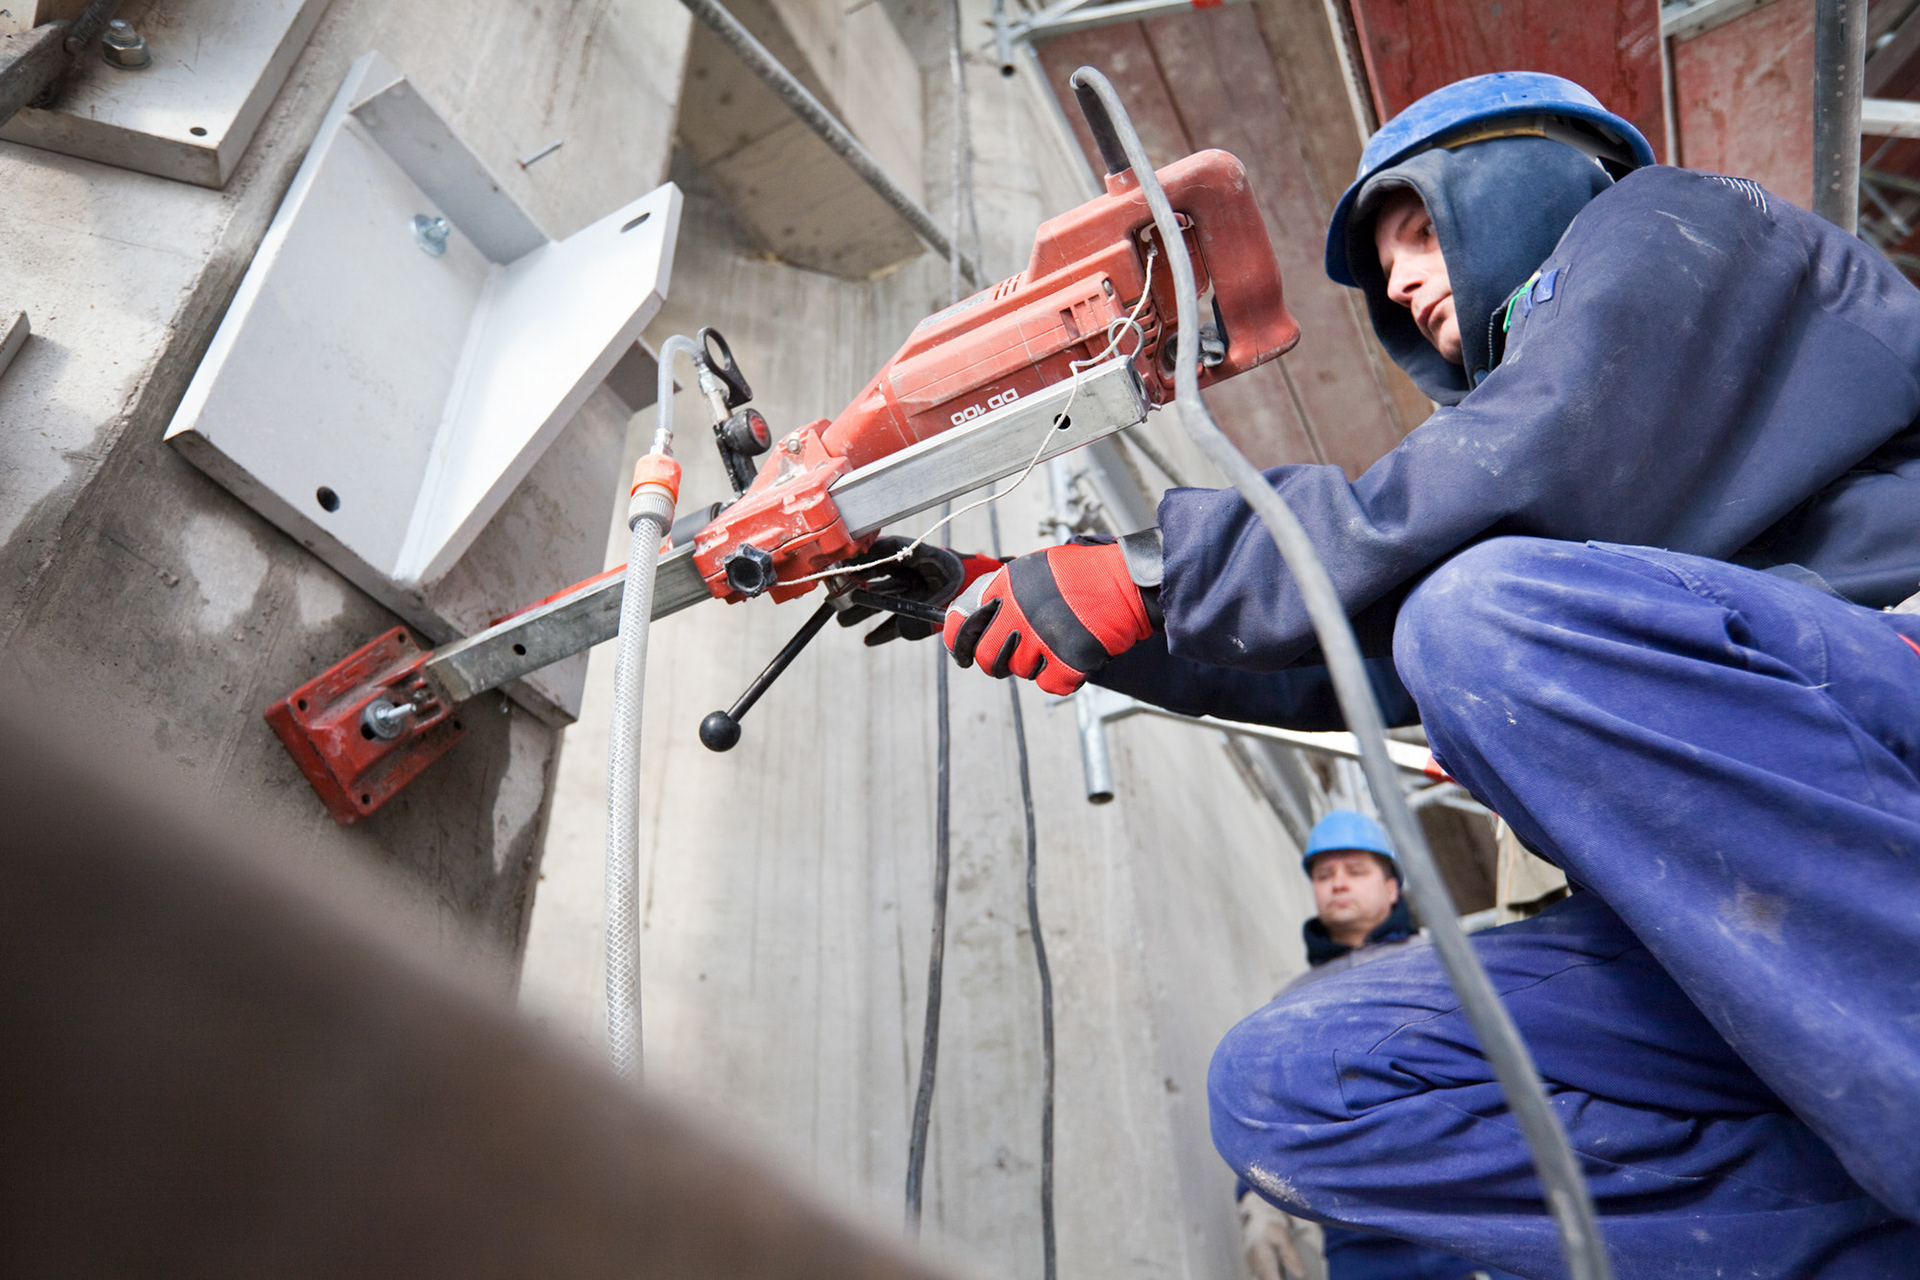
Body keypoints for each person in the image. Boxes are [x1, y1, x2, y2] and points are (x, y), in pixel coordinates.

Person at [940, 71, 1920, 1274]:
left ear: (1528, 168)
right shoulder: (1566, 542)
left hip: (1888, 715)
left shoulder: (1674, 223)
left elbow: (1546, 453)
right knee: (1305, 1087)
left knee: (1476, 612)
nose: (1397, 282)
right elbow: (1353, 664)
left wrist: (1158, 568)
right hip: (1786, 927)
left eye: (1415, 226)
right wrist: (1099, 621)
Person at [1236, 811, 1518, 1280]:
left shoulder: (1442, 965)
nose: (1338, 884)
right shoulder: (1289, 1001)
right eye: (1325, 875)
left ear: (1392, 888)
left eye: (1356, 871)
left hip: (1468, 1206)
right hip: (1355, 1227)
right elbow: (1266, 1110)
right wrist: (1254, 1200)